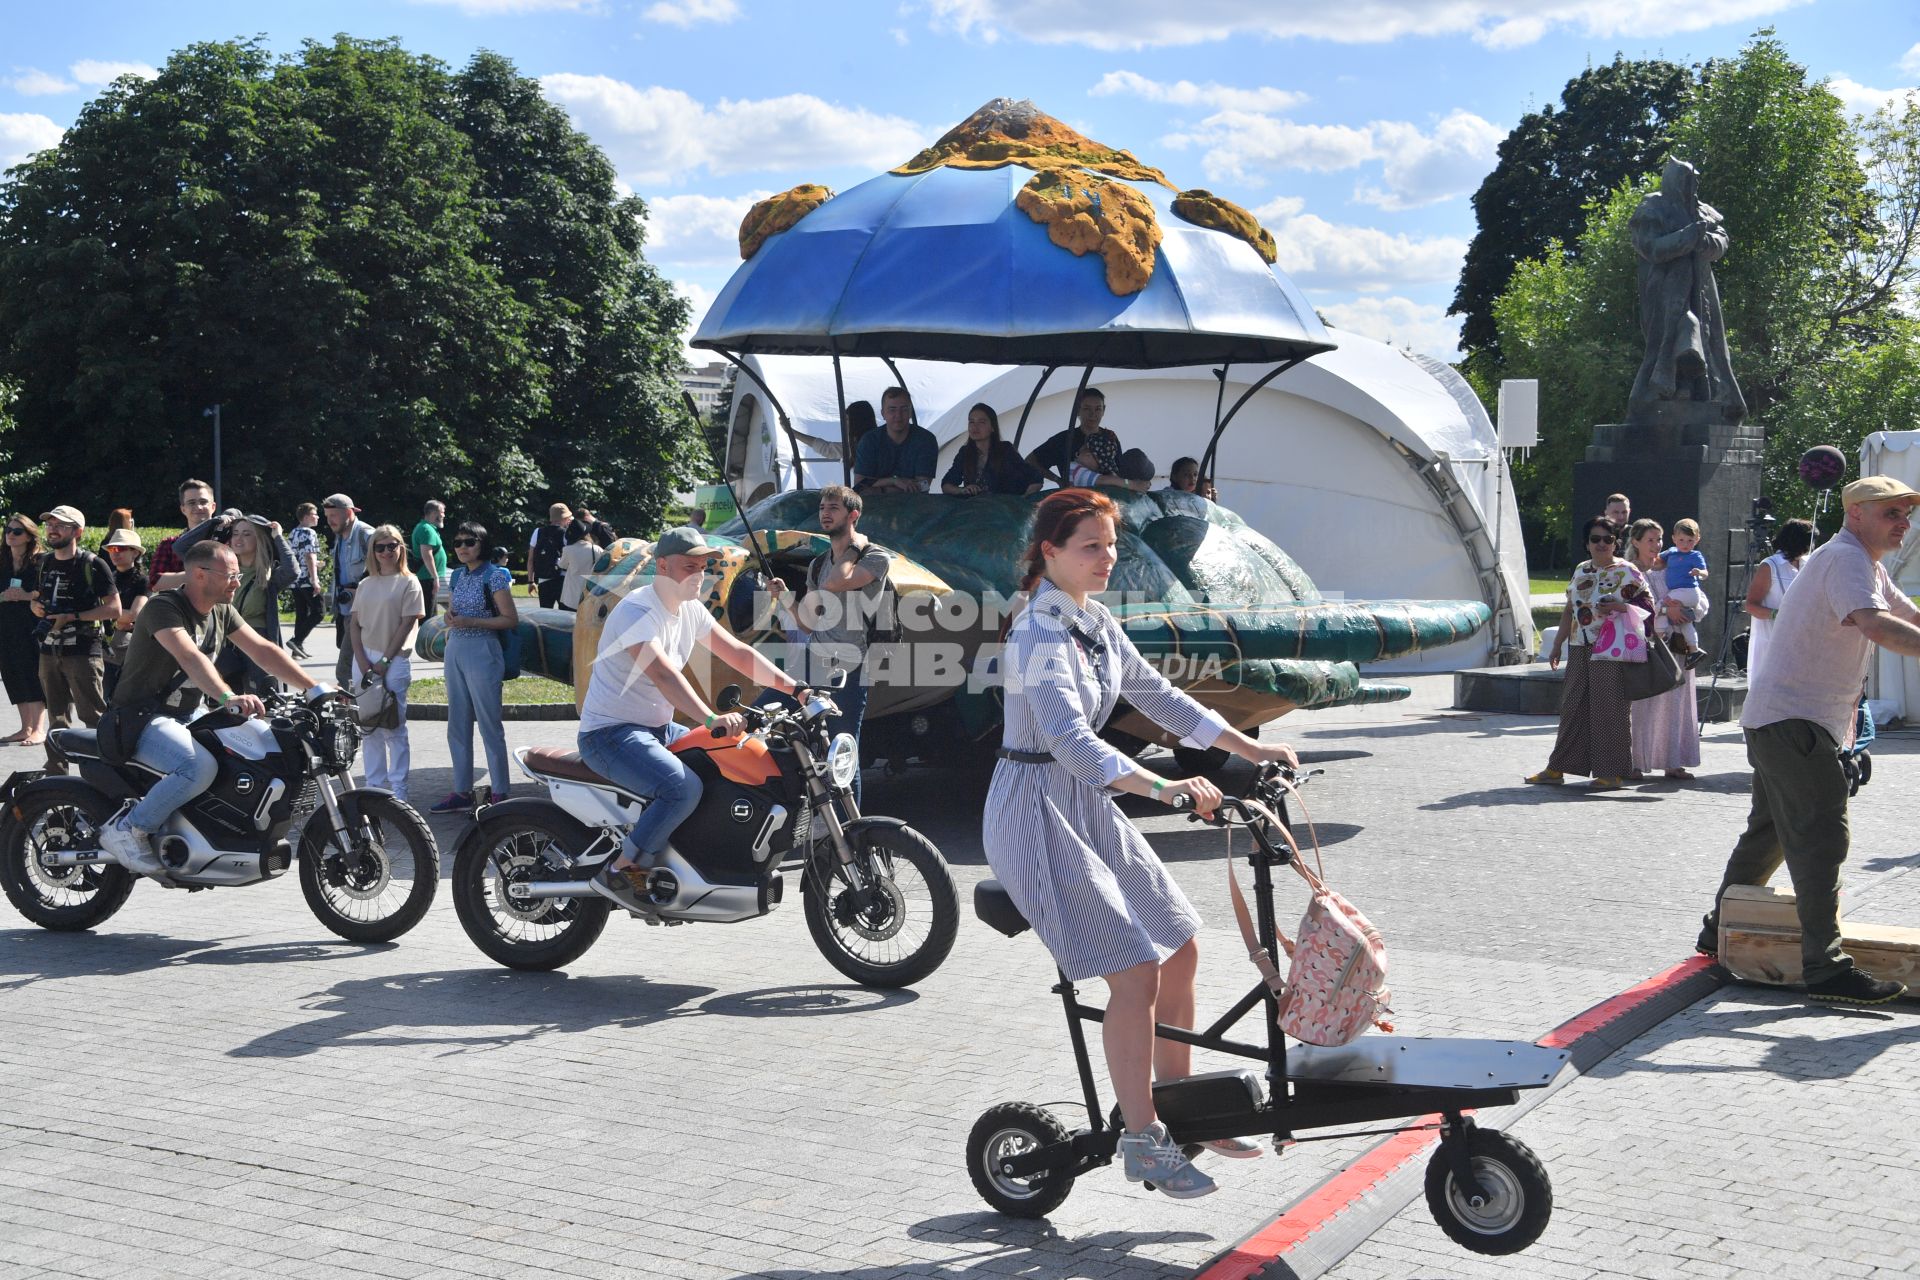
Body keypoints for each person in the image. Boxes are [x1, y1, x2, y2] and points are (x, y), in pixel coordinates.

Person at [983, 489, 1298, 1200]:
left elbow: (1160, 697)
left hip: (1081, 800)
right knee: (1134, 971)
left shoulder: (1091, 621)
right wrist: (1165, 789)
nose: (1107, 558)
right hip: (1033, 809)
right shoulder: (1037, 633)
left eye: (1111, 545)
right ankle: (1141, 1138)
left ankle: (1178, 1111)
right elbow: (1066, 739)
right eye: (1091, 545)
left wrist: (1252, 748)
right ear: (1050, 552)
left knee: (1180, 944)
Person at [1694, 477, 1920, 1004]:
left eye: (1908, 514)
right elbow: (1878, 627)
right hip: (1795, 724)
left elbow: (1906, 616)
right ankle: (1826, 968)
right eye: (1892, 513)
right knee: (1822, 838)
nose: (1904, 523)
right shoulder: (1846, 560)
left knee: (1767, 836)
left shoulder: (1863, 563)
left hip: (1783, 721)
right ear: (1856, 513)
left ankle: (1716, 932)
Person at [578, 526, 799, 906]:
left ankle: (692, 858)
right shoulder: (636, 610)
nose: (700, 574)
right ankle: (619, 871)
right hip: (610, 735)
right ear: (662, 566)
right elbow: (663, 674)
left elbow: (738, 654)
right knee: (681, 788)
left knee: (732, 755)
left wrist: (794, 688)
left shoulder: (691, 610)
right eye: (689, 566)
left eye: (704, 566)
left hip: (657, 729)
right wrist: (710, 719)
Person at [96, 540, 327, 878]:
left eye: (238, 574)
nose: (237, 581)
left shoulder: (221, 609)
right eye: (231, 575)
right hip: (141, 716)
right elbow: (189, 656)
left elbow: (263, 650)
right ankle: (130, 828)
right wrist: (227, 697)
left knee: (257, 745)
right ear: (201, 575)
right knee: (197, 767)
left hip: (188, 715)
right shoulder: (164, 608)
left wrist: (315, 688)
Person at [765, 486, 890, 802]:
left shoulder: (875, 557)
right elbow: (807, 622)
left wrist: (853, 546)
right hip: (812, 662)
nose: (824, 513)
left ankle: (852, 838)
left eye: (833, 508)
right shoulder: (818, 564)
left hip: (851, 666)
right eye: (822, 507)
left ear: (853, 515)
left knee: (843, 749)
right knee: (763, 716)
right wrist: (786, 599)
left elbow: (838, 582)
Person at [1528, 516, 1653, 791]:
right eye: (1595, 539)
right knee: (1572, 707)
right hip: (1578, 645)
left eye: (1608, 539)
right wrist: (1557, 643)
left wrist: (1619, 606)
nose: (1601, 544)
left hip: (1611, 649)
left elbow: (1648, 607)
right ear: (1586, 544)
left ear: (1615, 542)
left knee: (1610, 709)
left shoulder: (1627, 571)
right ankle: (1557, 767)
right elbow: (1569, 609)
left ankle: (1612, 772)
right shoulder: (1581, 570)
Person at [432, 521, 519, 813]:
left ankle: (500, 791)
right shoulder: (457, 575)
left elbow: (510, 619)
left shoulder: (495, 576)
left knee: (489, 724)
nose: (462, 547)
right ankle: (461, 790)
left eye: (469, 542)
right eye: (457, 542)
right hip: (455, 647)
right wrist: (450, 617)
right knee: (457, 723)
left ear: (482, 544)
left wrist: (472, 622)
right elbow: (455, 610)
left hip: (483, 647)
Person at [28, 505, 119, 768]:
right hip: (49, 649)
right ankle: (56, 778)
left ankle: (104, 775)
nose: (53, 529)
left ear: (77, 531)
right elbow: (37, 598)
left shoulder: (92, 563)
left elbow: (114, 608)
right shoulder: (44, 562)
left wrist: (73, 617)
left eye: (61, 525)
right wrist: (35, 607)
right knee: (56, 718)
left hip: (82, 650)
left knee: (93, 716)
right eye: (50, 525)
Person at [174, 511, 296, 695]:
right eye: (236, 533)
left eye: (247, 534)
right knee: (225, 700)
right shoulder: (219, 568)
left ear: (260, 539)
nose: (239, 538)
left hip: (256, 640)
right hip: (224, 641)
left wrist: (277, 535)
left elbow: (293, 571)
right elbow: (181, 548)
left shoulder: (268, 575)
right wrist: (215, 523)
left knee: (265, 698)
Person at [351, 525, 424, 803]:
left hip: (394, 659)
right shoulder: (365, 583)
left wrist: (384, 660)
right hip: (365, 658)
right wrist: (362, 659)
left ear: (401, 548)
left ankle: (399, 791)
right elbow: (354, 625)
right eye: (379, 547)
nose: (386, 552)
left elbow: (407, 623)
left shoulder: (409, 582)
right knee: (368, 726)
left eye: (392, 545)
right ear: (372, 551)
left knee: (394, 726)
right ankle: (374, 787)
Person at [1625, 519, 1700, 781]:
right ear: (1636, 542)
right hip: (1644, 645)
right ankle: (1634, 761)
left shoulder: (1670, 567)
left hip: (1676, 645)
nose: (1657, 545)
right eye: (1650, 540)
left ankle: (1673, 760)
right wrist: (1669, 609)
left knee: (1675, 704)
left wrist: (1689, 609)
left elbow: (1698, 597)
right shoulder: (1629, 571)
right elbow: (1635, 607)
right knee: (1642, 705)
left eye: (1659, 540)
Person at [1025, 389, 1150, 493]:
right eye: (1086, 408)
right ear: (1078, 410)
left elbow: (1119, 470)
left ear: (1104, 410)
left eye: (1098, 409)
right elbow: (1031, 461)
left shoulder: (1110, 437)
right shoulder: (1064, 440)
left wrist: (1137, 483)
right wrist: (1057, 479)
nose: (1092, 414)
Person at [1744, 517, 1814, 685]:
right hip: (1772, 645)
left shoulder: (1808, 563)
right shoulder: (1770, 565)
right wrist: (1777, 614)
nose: (1812, 546)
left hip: (1801, 643)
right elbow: (1751, 606)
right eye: (1809, 541)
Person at [0, 515, 47, 746]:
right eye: (8, 530)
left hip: (31, 624)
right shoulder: (2, 561)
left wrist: (26, 596)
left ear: (29, 535)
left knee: (33, 671)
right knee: (12, 672)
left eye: (17, 531)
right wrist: (4, 596)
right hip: (6, 624)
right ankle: (24, 727)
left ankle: (39, 728)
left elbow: (47, 591)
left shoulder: (41, 561)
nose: (10, 534)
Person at [323, 494, 374, 687]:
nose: (329, 521)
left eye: (334, 515)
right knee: (354, 664)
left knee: (344, 668)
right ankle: (362, 707)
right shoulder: (340, 537)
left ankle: (352, 711)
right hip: (345, 610)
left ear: (349, 512)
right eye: (327, 516)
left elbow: (388, 562)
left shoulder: (365, 533)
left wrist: (361, 587)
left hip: (362, 612)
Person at [940, 403, 1043, 496]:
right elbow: (946, 484)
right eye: (971, 422)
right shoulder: (965, 452)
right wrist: (962, 490)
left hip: (1004, 510)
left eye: (981, 422)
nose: (975, 427)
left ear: (992, 427)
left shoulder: (1005, 449)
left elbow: (1036, 478)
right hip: (976, 510)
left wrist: (1023, 500)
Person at [852, 387, 938, 494]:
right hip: (874, 507)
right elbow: (859, 486)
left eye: (904, 409)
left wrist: (878, 488)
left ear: (910, 412)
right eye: (892, 409)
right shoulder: (869, 440)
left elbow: (923, 486)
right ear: (883, 413)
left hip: (914, 507)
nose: (898, 415)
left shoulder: (926, 440)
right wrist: (894, 481)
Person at [1652, 517, 1709, 668]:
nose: (1685, 544)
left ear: (1697, 539)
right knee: (1684, 621)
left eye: (1690, 540)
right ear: (1674, 539)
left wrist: (1699, 573)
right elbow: (1656, 560)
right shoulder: (1671, 553)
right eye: (1681, 540)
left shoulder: (1695, 556)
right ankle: (1694, 650)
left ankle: (1659, 636)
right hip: (1679, 592)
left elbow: (1705, 573)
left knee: (1661, 606)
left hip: (1688, 591)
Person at [101, 528, 149, 701]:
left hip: (128, 646)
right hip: (107, 643)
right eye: (112, 549)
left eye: (120, 549)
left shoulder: (142, 580)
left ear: (134, 552)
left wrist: (109, 614)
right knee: (106, 697)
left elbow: (134, 615)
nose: (115, 553)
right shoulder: (110, 578)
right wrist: (115, 617)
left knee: (120, 697)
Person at [148, 479, 219, 591]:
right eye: (192, 503)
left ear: (213, 507)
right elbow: (155, 582)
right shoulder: (169, 545)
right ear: (183, 509)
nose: (199, 507)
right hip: (180, 607)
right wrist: (204, 574)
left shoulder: (227, 541)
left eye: (203, 502)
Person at [286, 503, 325, 659]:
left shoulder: (293, 533)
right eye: (315, 514)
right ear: (307, 516)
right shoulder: (309, 532)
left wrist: (316, 564)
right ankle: (296, 640)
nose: (317, 517)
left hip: (295, 580)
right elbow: (309, 555)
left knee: (301, 613)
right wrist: (314, 579)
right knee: (319, 611)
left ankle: (297, 649)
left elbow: (297, 555)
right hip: (307, 579)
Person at [527, 503, 571, 608]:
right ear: (564, 518)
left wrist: (531, 581)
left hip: (543, 580)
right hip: (562, 580)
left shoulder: (537, 532)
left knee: (545, 616)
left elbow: (530, 559)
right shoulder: (566, 534)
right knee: (565, 617)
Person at [411, 500, 446, 617]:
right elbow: (427, 555)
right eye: (442, 512)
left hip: (428, 577)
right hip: (427, 578)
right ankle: (425, 635)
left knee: (431, 612)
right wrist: (435, 577)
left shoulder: (427, 528)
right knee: (428, 615)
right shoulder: (426, 529)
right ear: (432, 512)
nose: (443, 515)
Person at [557, 522, 597, 612]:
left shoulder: (568, 549)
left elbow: (562, 565)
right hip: (589, 591)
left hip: (572, 593)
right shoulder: (596, 549)